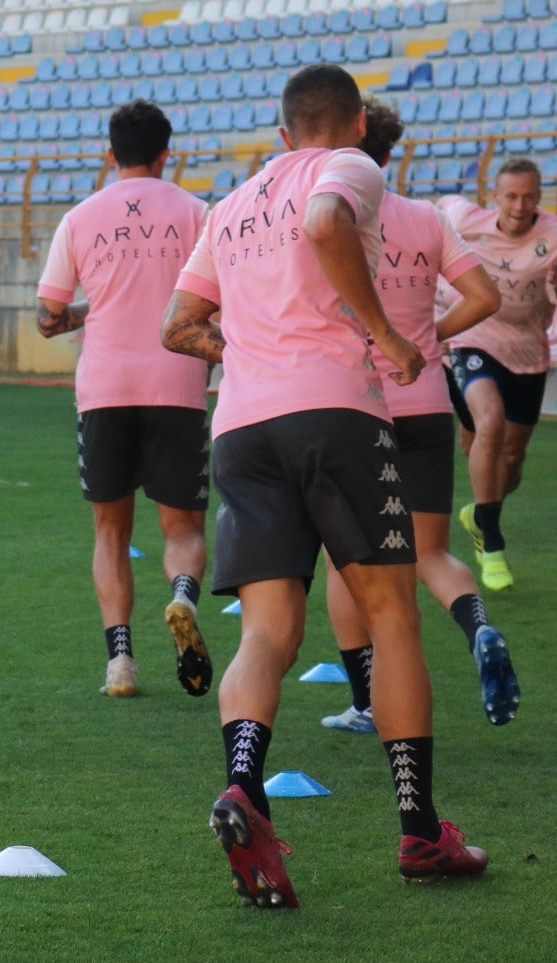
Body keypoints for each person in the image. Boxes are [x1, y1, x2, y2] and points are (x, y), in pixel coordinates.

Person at [161, 63, 488, 909]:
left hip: (240, 427)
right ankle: (420, 831)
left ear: (280, 133)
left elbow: (178, 325)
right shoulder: (352, 167)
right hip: (337, 414)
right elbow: (323, 219)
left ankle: (243, 785)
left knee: (267, 629)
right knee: (391, 611)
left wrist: (243, 355)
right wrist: (381, 331)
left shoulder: (227, 205)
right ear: (350, 125)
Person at [320, 97, 518, 734]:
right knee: (431, 553)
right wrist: (430, 334)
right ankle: (479, 628)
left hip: (356, 405)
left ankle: (365, 702)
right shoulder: (424, 218)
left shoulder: (327, 215)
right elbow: (484, 296)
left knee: (344, 561)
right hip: (427, 401)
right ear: (389, 153)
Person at [34, 99, 212, 701]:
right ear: (167, 153)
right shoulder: (196, 213)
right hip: (178, 385)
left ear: (109, 154)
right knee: (181, 526)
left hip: (105, 388)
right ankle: (183, 595)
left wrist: (94, 308)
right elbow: (217, 305)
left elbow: (48, 318)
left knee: (110, 531)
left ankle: (120, 663)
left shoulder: (80, 217)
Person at [435, 157, 557, 591]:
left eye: (528, 196)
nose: (519, 205)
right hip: (474, 337)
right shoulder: (466, 218)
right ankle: (494, 543)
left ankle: (481, 514)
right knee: (489, 421)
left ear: (540, 196)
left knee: (514, 460)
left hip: (527, 350)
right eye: (510, 196)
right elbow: (439, 210)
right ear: (494, 197)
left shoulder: (553, 235)